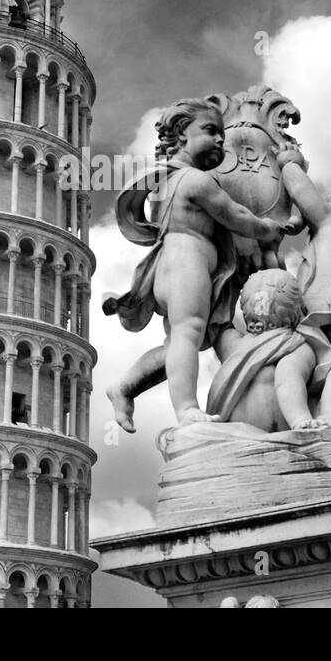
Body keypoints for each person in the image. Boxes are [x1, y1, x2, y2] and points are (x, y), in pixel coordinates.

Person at [102, 99, 282, 425]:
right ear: (183, 134)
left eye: (221, 134)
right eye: (210, 130)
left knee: (185, 339)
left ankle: (125, 386)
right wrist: (268, 227)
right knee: (189, 332)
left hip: (183, 267)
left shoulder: (169, 181)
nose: (219, 140)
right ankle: (186, 410)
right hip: (186, 263)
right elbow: (236, 216)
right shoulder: (194, 181)